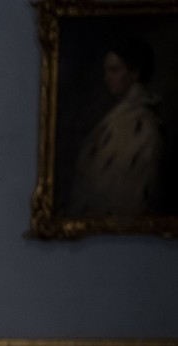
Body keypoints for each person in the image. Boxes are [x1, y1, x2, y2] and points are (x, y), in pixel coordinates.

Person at [67, 36, 163, 218]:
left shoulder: (140, 125)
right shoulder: (121, 117)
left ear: (135, 73)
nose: (106, 78)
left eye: (114, 70)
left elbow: (122, 198)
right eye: (106, 70)